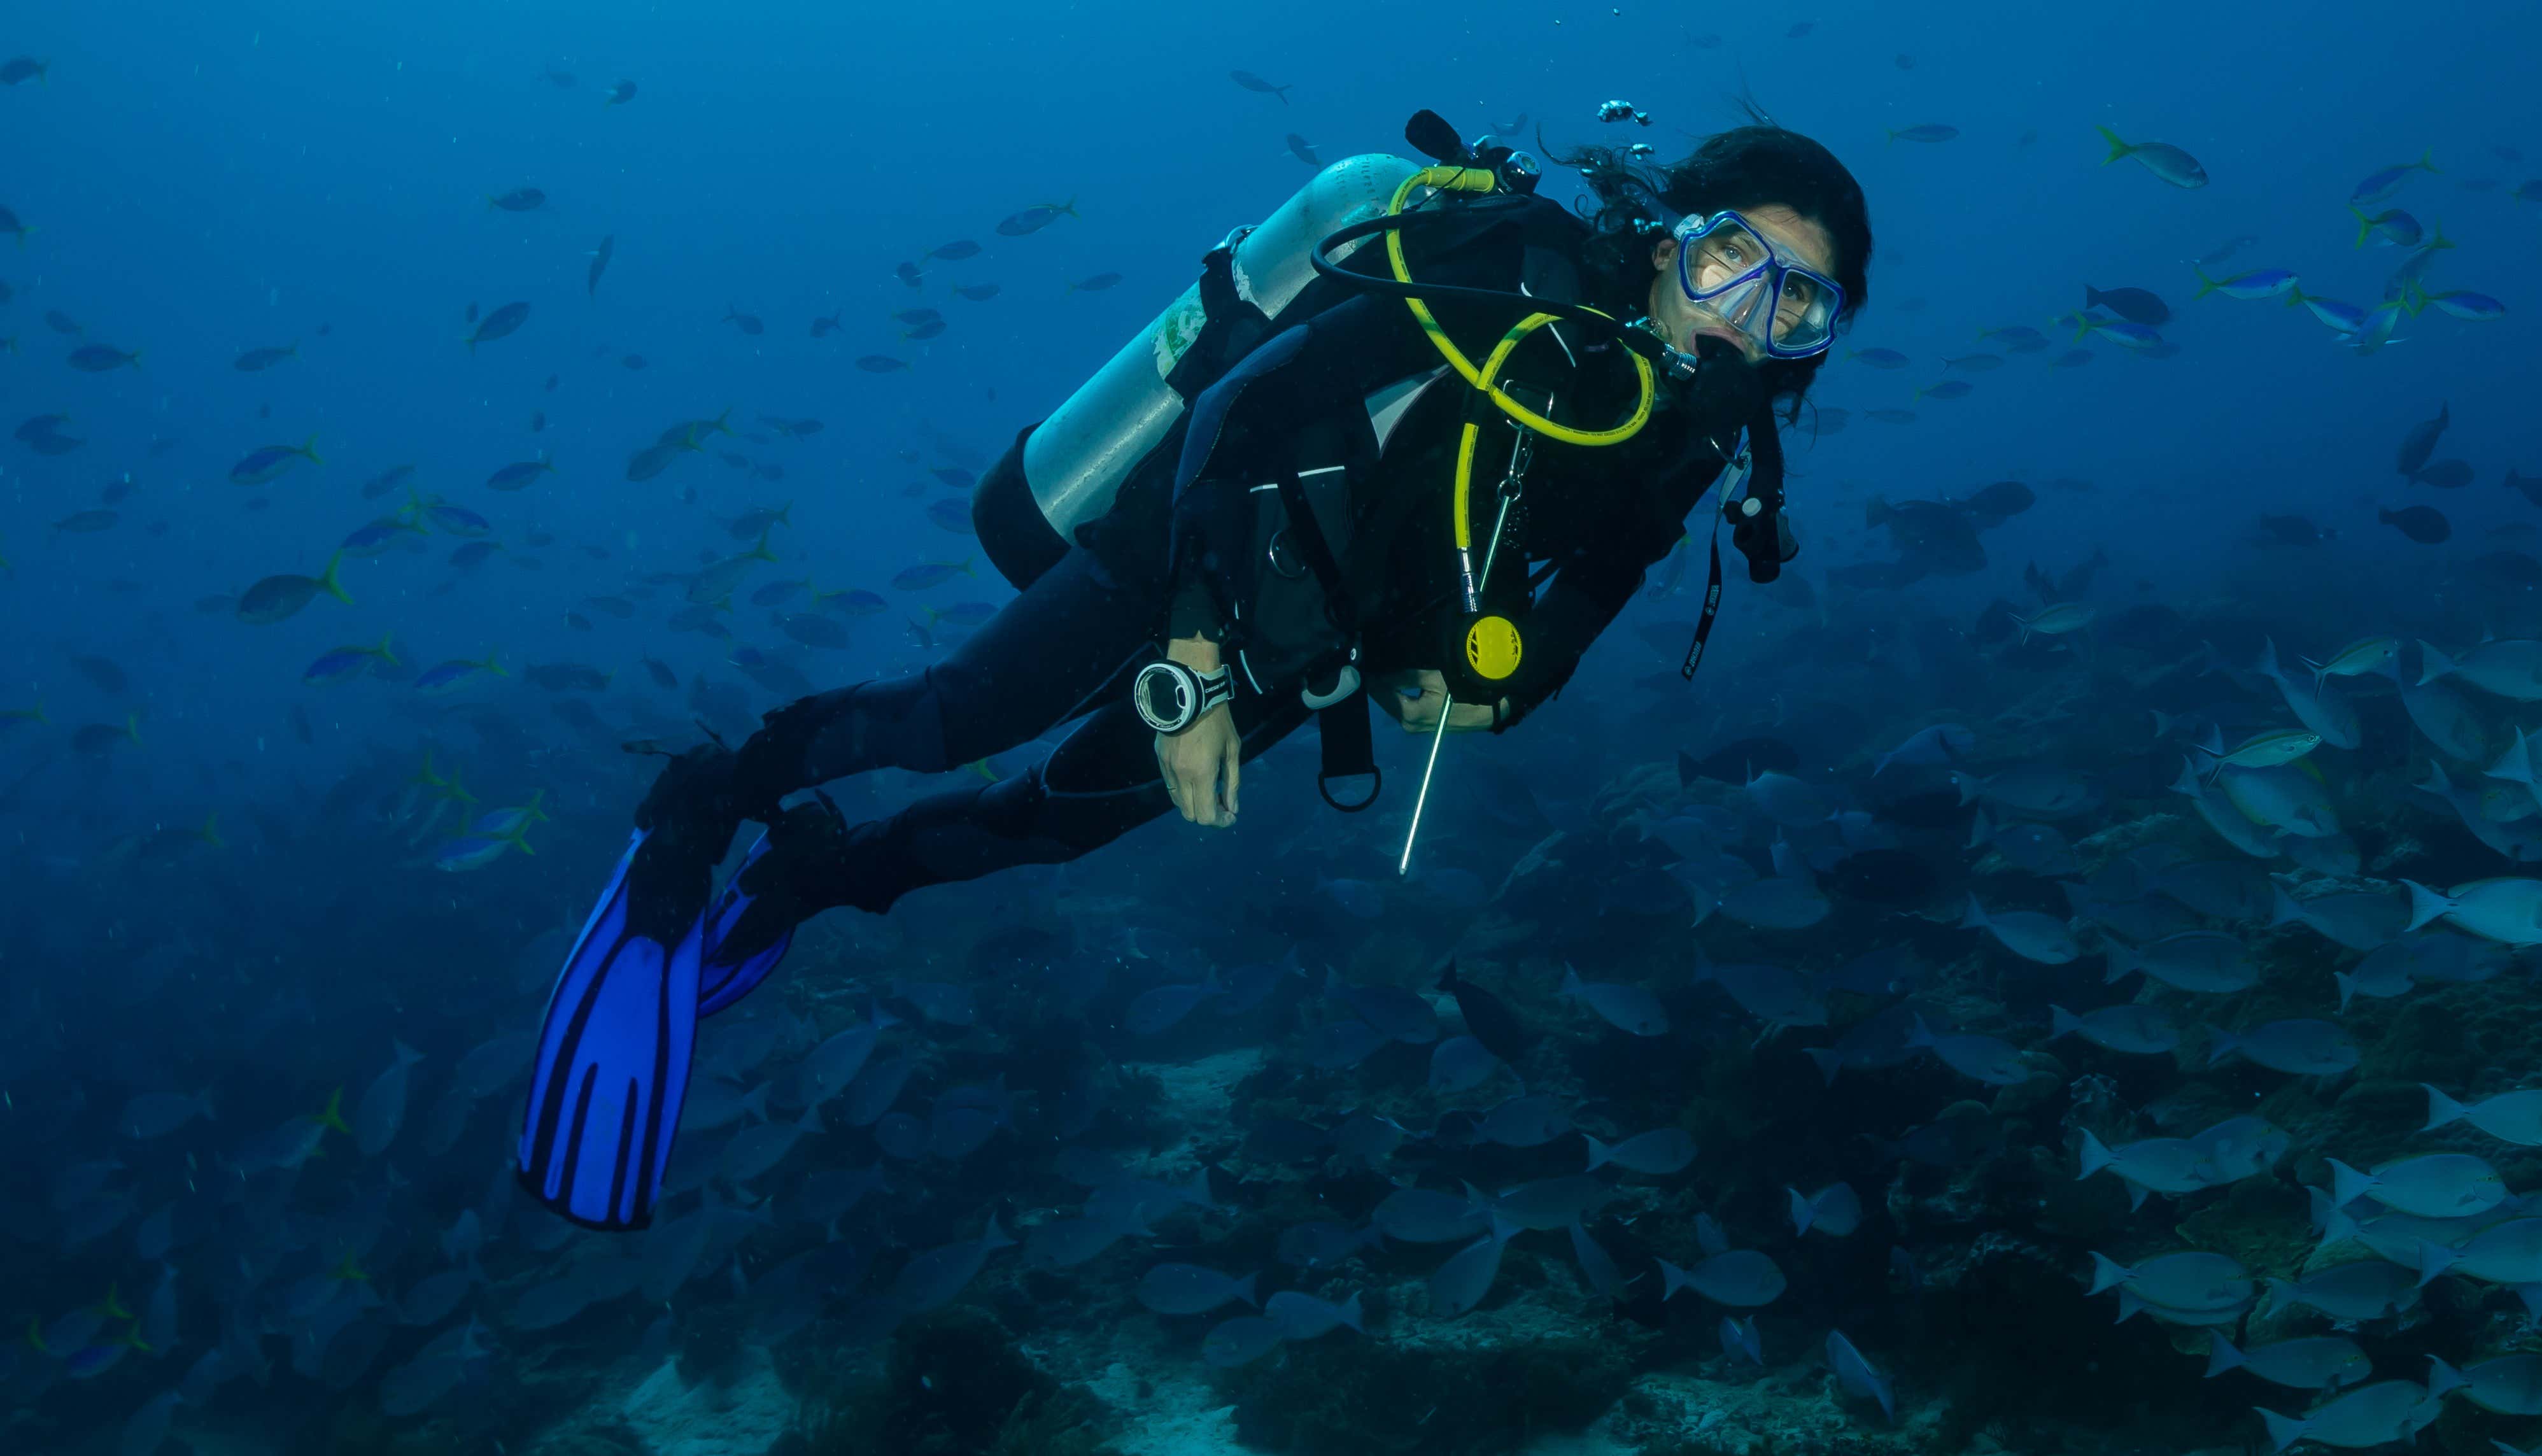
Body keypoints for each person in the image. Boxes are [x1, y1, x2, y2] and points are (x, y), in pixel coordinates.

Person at [515, 111, 1873, 1229]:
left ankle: (814, 878)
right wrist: (1190, 664)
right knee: (948, 721)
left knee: (1044, 829)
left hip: (1313, 648)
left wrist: (1487, 692)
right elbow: (1245, 409)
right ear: (1666, 241)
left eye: (1796, 301)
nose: (1747, 315)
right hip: (1187, 549)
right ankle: (710, 790)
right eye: (1729, 262)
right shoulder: (1502, 279)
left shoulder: (1699, 438)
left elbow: (1596, 591)